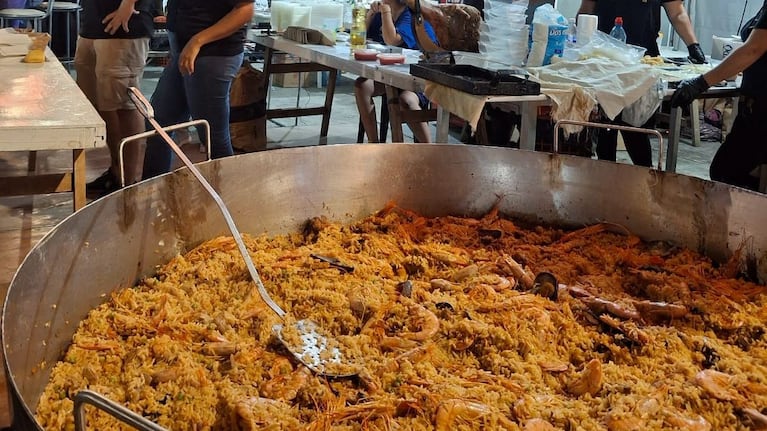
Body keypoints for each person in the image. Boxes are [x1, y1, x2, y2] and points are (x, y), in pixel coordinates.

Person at [577, 0, 706, 167]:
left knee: (637, 129)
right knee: (605, 129)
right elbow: (586, 12)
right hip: (605, 63)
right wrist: (579, 43)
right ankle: (606, 181)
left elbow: (677, 13)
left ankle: (646, 179)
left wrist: (693, 45)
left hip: (645, 63)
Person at [141, 0, 254, 180]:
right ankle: (152, 193)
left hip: (212, 55)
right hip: (185, 51)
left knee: (212, 137)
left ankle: (226, 199)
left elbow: (245, 10)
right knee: (159, 122)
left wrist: (197, 41)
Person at [671, 1, 767, 191]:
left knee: (726, 172)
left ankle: (746, 217)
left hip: (763, 113)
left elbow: (754, 48)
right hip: (754, 108)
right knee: (732, 172)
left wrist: (701, 82)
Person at [77, 0, 153, 197]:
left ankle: (128, 185)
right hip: (93, 25)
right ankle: (116, 172)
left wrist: (128, 4)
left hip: (124, 25)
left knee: (125, 108)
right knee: (103, 105)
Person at [354, 0, 438, 143]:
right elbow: (362, 36)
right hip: (392, 75)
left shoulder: (411, 16)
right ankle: (374, 145)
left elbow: (391, 40)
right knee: (362, 86)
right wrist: (370, 14)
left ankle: (429, 150)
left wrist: (385, 11)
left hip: (419, 79)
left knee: (406, 100)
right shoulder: (383, 12)